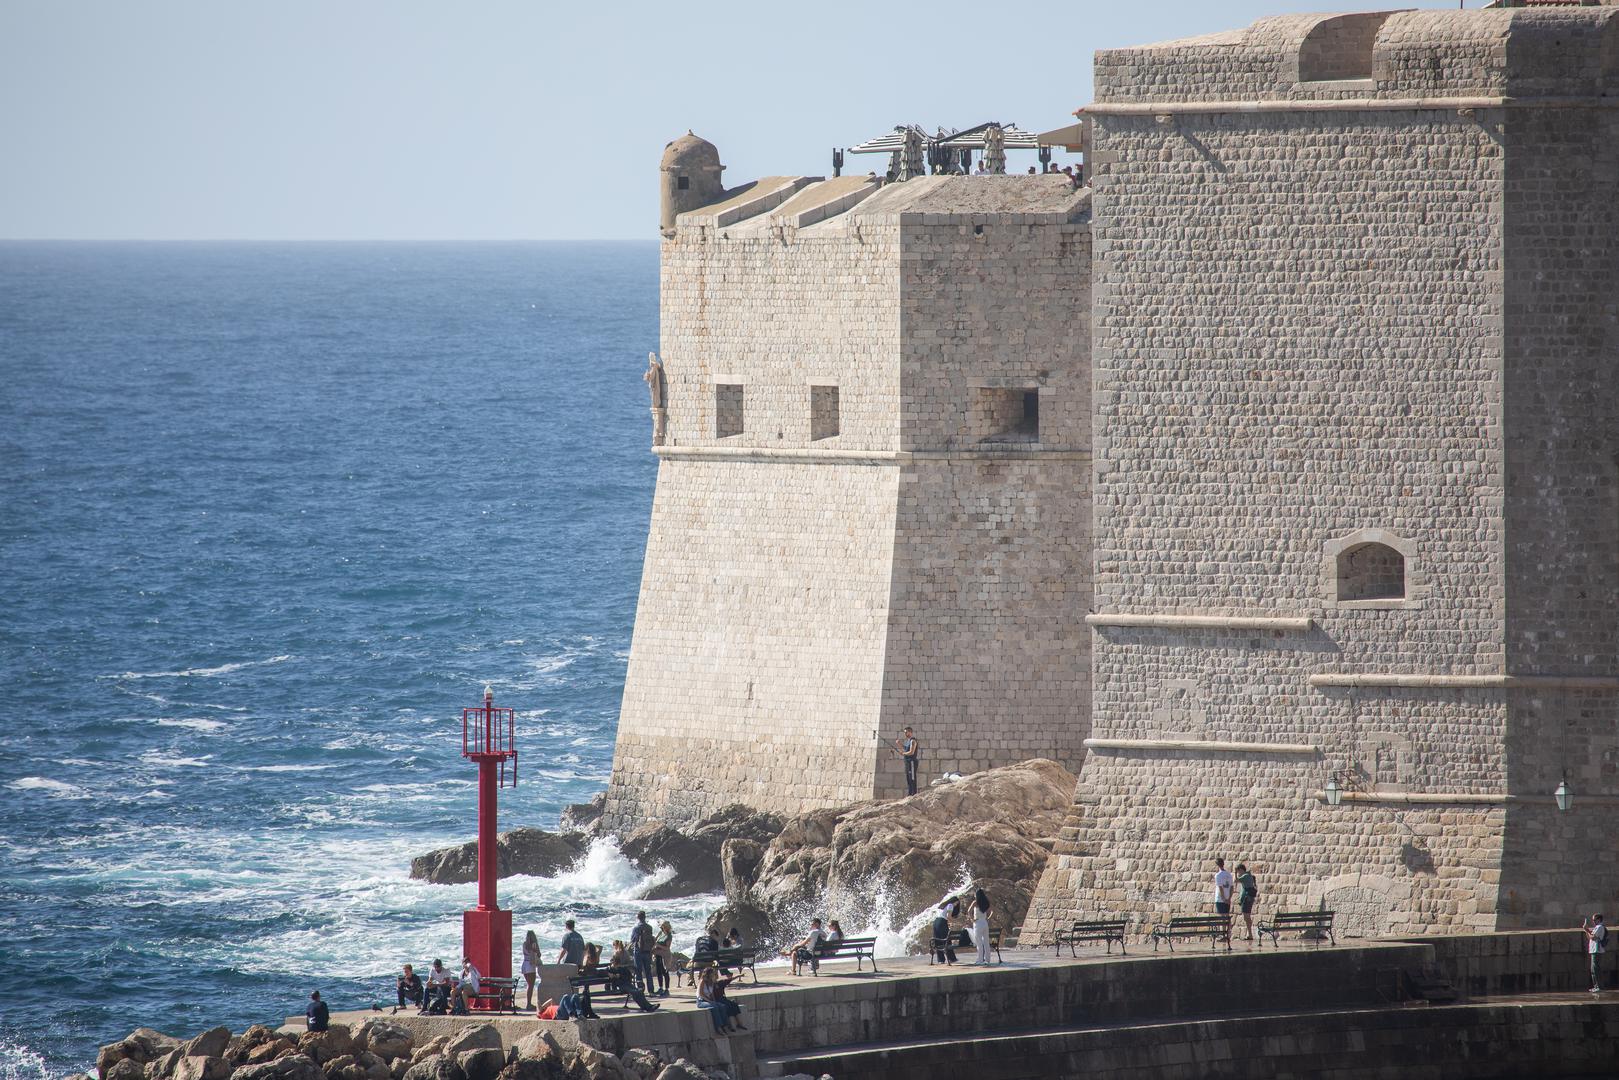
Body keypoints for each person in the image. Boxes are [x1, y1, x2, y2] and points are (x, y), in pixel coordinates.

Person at [606, 940, 660, 1012]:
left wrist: (619, 974)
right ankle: (648, 1007)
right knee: (636, 992)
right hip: (621, 985)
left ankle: (647, 1006)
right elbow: (603, 972)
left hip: (627, 983)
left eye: (614, 962)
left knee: (638, 992)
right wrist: (612, 975)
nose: (613, 963)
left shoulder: (622, 969)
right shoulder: (611, 969)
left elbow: (628, 976)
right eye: (613, 962)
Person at [697, 968, 734, 1034]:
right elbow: (701, 994)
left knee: (722, 1006)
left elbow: (712, 994)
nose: (714, 974)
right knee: (715, 1007)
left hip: (710, 1000)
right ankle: (718, 1027)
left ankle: (725, 1025)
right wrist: (710, 1001)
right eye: (712, 973)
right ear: (708, 974)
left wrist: (714, 1001)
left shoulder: (711, 982)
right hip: (701, 1001)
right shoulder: (703, 981)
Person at [630, 911, 657, 994]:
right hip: (647, 951)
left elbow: (633, 940)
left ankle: (640, 989)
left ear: (638, 918)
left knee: (638, 971)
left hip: (638, 951)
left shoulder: (636, 928)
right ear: (645, 917)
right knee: (648, 971)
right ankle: (651, 990)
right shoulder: (649, 927)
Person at [576, 943, 603, 1019]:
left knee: (585, 992)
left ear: (587, 949)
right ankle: (589, 1011)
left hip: (586, 978)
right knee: (586, 992)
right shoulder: (596, 955)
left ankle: (587, 1011)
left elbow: (583, 966)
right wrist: (594, 946)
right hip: (594, 978)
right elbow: (600, 947)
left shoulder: (587, 957)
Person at [893, 726, 921, 796]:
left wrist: (903, 753)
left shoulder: (913, 741)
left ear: (910, 732)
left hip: (912, 762)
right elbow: (906, 748)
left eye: (906, 732)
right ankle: (910, 793)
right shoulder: (908, 741)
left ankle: (914, 793)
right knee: (908, 778)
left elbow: (912, 752)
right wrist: (899, 744)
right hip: (907, 762)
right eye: (904, 732)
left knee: (912, 778)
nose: (905, 734)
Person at [933, 896, 961, 965]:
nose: (956, 905)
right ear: (954, 901)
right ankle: (952, 958)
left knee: (938, 940)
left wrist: (949, 923)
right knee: (947, 940)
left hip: (936, 922)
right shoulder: (951, 905)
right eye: (957, 903)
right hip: (942, 922)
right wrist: (956, 922)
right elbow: (948, 917)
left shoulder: (946, 906)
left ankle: (941, 960)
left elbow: (945, 917)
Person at [1235, 864, 1259, 941]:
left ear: (1241, 869)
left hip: (1246, 899)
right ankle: (1249, 934)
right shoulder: (1249, 875)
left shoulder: (1245, 876)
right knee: (1247, 916)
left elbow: (1235, 880)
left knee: (1246, 917)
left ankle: (1250, 934)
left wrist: (1235, 873)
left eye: (1238, 871)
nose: (1238, 873)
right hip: (1249, 898)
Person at [1586, 913, 1608, 993]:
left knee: (1596, 969)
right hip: (1593, 950)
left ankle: (1599, 987)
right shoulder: (1597, 927)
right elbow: (1589, 937)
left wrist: (1586, 929)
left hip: (1597, 950)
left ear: (1598, 919)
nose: (1593, 921)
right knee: (1593, 970)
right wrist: (1586, 930)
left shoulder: (1600, 927)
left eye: (1594, 920)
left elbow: (1593, 937)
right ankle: (1596, 986)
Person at [969, 888, 993, 964]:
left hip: (978, 923)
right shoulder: (986, 902)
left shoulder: (975, 902)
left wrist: (972, 919)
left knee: (979, 943)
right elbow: (992, 911)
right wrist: (988, 918)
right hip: (985, 923)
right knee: (986, 942)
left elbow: (969, 911)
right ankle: (987, 960)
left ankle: (980, 960)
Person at [654, 919, 675, 997]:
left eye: (663, 926)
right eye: (662, 926)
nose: (662, 927)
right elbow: (655, 940)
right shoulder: (661, 933)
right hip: (658, 954)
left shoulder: (669, 936)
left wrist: (658, 945)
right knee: (658, 972)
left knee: (665, 972)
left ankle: (666, 989)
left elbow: (667, 948)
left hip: (665, 956)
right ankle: (660, 988)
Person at [521, 930, 542, 1009]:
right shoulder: (534, 944)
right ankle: (528, 1004)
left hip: (524, 964)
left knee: (528, 985)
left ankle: (528, 1003)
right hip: (530, 966)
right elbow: (539, 954)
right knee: (531, 985)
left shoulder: (524, 944)